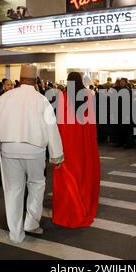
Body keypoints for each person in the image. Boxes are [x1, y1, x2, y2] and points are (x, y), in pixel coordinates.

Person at [0, 65, 64, 243]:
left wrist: (4, 127)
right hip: (35, 149)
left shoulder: (6, 97)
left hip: (9, 148)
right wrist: (56, 155)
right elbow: (51, 127)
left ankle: (16, 234)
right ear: (35, 81)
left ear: (20, 80)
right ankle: (31, 223)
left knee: (13, 190)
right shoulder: (41, 100)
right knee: (36, 185)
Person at [52, 72, 101, 228]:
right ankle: (83, 203)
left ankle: (70, 208)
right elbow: (92, 121)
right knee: (83, 173)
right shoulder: (88, 95)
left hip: (67, 142)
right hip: (84, 143)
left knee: (67, 174)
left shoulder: (63, 96)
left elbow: (59, 122)